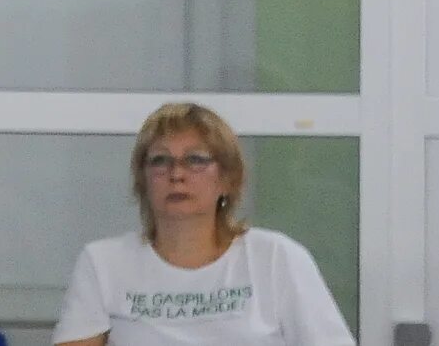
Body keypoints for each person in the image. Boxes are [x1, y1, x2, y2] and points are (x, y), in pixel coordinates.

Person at [54, 102, 353, 346]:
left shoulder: (276, 258)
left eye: (195, 160)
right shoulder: (103, 262)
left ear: (227, 178)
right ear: (142, 180)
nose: (176, 174)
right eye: (159, 161)